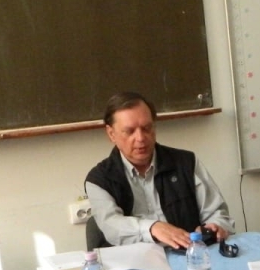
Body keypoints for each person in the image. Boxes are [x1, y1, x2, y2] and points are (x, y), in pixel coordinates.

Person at [85, 92, 234, 249]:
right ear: (111, 134)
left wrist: (216, 226)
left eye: (147, 128)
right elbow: (111, 226)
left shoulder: (186, 163)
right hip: (133, 260)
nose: (141, 138)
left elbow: (217, 214)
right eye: (129, 131)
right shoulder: (99, 180)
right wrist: (152, 228)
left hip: (188, 254)